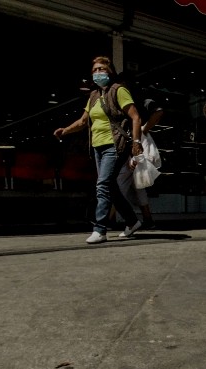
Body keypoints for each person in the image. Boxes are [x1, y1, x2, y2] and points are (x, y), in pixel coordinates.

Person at [53, 56, 143, 244]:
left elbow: (135, 117)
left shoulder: (119, 90)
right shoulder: (94, 96)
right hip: (97, 146)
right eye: (94, 70)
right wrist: (65, 130)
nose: (97, 73)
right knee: (110, 186)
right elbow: (83, 121)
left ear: (110, 72)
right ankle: (132, 221)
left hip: (115, 144)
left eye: (101, 69)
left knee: (102, 185)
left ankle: (100, 229)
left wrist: (136, 141)